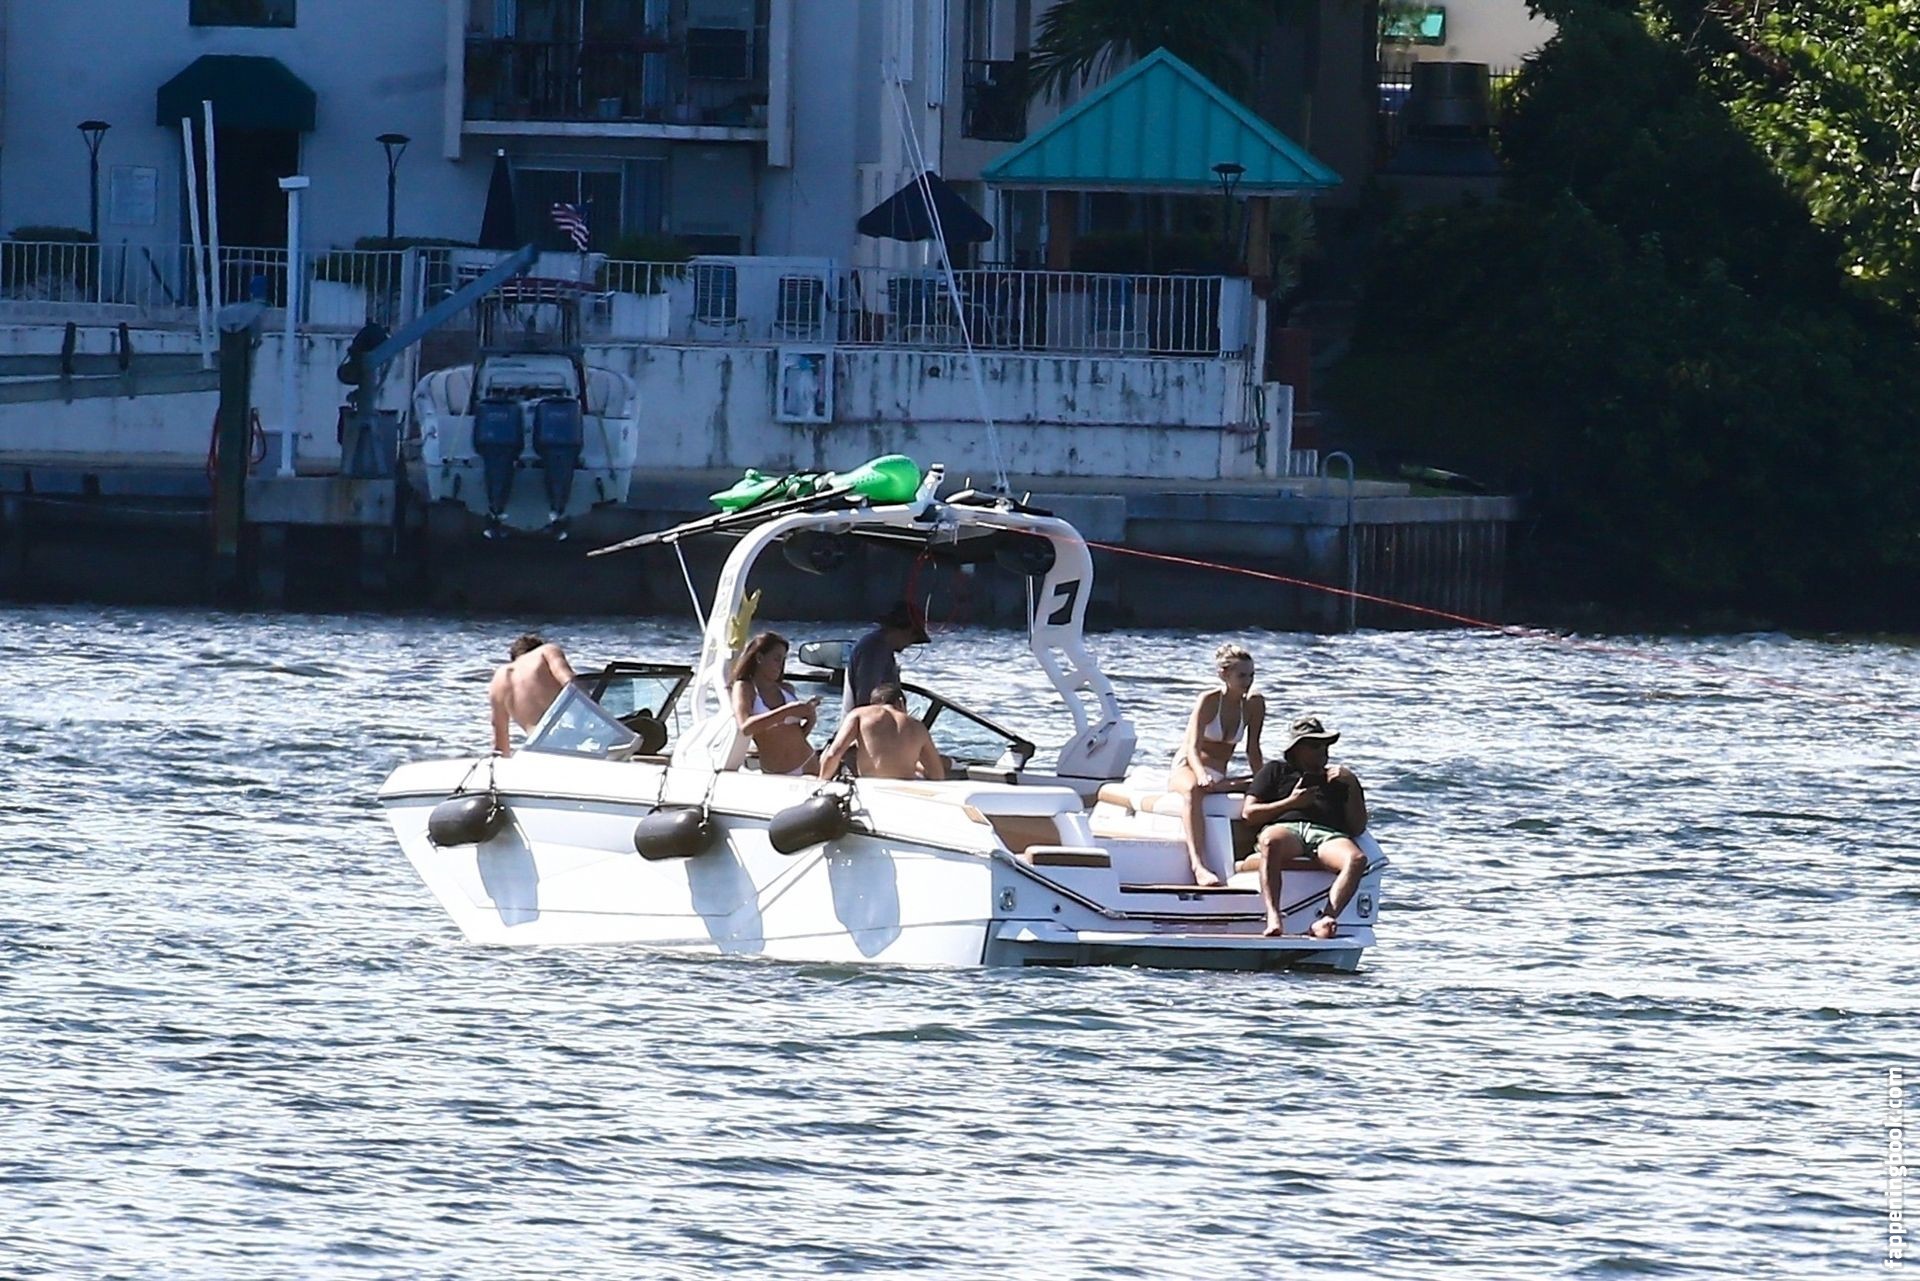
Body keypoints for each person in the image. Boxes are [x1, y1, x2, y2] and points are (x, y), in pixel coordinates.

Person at [1239, 713, 1370, 939]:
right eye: (1315, 745)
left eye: (1326, 745)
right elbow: (1249, 813)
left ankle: (1326, 918)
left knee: (1356, 859)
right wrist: (1291, 803)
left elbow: (1357, 827)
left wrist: (1352, 783)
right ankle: (1273, 916)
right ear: (1297, 749)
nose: (1323, 751)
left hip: (1326, 834)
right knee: (1270, 841)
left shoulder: (1337, 778)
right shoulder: (1276, 770)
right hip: (1287, 829)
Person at [1167, 642, 1267, 886]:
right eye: (1241, 675)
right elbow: (1192, 747)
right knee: (1194, 790)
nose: (1248, 681)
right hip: (1188, 767)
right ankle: (1198, 865)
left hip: (1219, 775)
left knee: (1260, 786)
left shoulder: (1254, 705)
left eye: (1251, 675)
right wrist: (1201, 774)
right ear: (1224, 674)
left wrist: (1265, 781)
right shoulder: (1210, 700)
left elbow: (1253, 750)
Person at [730, 631, 821, 775]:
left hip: (808, 762)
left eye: (784, 660)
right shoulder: (745, 688)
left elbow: (794, 735)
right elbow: (746, 727)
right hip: (776, 771)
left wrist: (811, 718)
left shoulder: (786, 689)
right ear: (759, 658)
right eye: (777, 659)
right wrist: (788, 711)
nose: (781, 665)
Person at [818, 683, 945, 781]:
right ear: (901, 702)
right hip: (904, 791)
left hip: (870, 786)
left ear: (873, 703)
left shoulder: (860, 714)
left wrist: (821, 781)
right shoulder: (918, 726)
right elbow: (937, 774)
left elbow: (833, 754)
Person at [489, 633, 576, 756]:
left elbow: (500, 744)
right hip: (570, 739)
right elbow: (571, 683)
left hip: (538, 749)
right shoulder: (546, 651)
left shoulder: (499, 678)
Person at [841, 600, 929, 719]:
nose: (910, 643)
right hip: (868, 728)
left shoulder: (881, 649)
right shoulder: (874, 649)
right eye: (914, 636)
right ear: (905, 630)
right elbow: (866, 703)